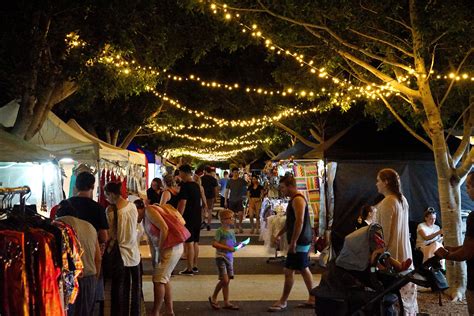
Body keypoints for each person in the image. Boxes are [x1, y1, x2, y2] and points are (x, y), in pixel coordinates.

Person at [56, 172, 108, 312]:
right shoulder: (97, 209)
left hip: (66, 273)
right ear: (92, 186)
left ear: (76, 186)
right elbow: (104, 237)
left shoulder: (64, 209)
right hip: (88, 268)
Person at [374, 168, 417, 315]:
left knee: (391, 292)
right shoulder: (402, 200)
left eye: (378, 180)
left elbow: (384, 233)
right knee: (403, 293)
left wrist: (381, 255)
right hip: (403, 249)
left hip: (393, 253)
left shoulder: (388, 202)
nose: (376, 184)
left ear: (386, 182)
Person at [268, 175, 315, 312]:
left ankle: (283, 301)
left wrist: (293, 242)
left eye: (282, 187)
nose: (281, 190)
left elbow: (299, 222)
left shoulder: (298, 200)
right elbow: (291, 221)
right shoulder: (294, 200)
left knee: (289, 270)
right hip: (302, 239)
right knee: (304, 269)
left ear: (290, 186)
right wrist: (280, 234)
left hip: (300, 240)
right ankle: (313, 298)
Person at [436, 171, 474, 315]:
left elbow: (468, 252)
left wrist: (446, 254)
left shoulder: (473, 217)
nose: (466, 189)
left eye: (469, 186)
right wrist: (453, 249)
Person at [56, 202, 101, 316]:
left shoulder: (56, 225)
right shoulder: (90, 226)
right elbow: (98, 258)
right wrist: (94, 279)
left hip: (68, 280)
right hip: (89, 277)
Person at [104, 182, 141, 315]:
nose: (106, 198)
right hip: (134, 253)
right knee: (134, 289)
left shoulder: (111, 211)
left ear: (112, 194)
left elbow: (110, 235)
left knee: (118, 291)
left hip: (119, 255)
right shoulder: (132, 206)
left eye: (107, 195)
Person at [144, 203, 186, 316]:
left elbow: (164, 228)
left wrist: (160, 249)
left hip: (170, 248)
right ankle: (169, 311)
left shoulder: (149, 210)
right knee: (164, 279)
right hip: (173, 247)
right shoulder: (149, 214)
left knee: (158, 280)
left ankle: (155, 312)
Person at [208, 209, 239, 311]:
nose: (232, 220)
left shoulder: (231, 231)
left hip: (229, 258)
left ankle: (226, 301)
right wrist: (227, 248)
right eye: (229, 218)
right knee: (224, 280)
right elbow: (214, 243)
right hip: (221, 257)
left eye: (232, 217)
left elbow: (232, 244)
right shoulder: (220, 231)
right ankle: (214, 297)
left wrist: (236, 246)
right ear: (222, 220)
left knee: (227, 281)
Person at [177, 165, 203, 275]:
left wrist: (178, 216)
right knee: (195, 242)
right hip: (197, 216)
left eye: (180, 173)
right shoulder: (196, 185)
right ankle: (195, 265)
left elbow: (183, 203)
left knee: (189, 243)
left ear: (184, 173)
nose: (179, 175)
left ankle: (189, 268)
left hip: (188, 217)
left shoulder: (186, 186)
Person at [225, 167, 248, 233]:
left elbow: (248, 185)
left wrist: (246, 194)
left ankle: (240, 225)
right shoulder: (230, 181)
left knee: (240, 213)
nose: (236, 173)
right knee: (233, 215)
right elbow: (226, 191)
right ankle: (235, 227)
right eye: (234, 172)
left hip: (239, 199)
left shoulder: (241, 180)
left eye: (237, 172)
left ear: (238, 173)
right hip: (232, 199)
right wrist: (225, 201)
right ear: (232, 173)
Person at [201, 166, 219, 231]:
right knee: (210, 211)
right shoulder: (214, 179)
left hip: (203, 197)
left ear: (205, 171)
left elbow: (199, 187)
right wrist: (216, 197)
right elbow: (216, 189)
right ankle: (209, 225)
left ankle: (202, 222)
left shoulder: (201, 178)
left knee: (203, 210)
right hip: (211, 197)